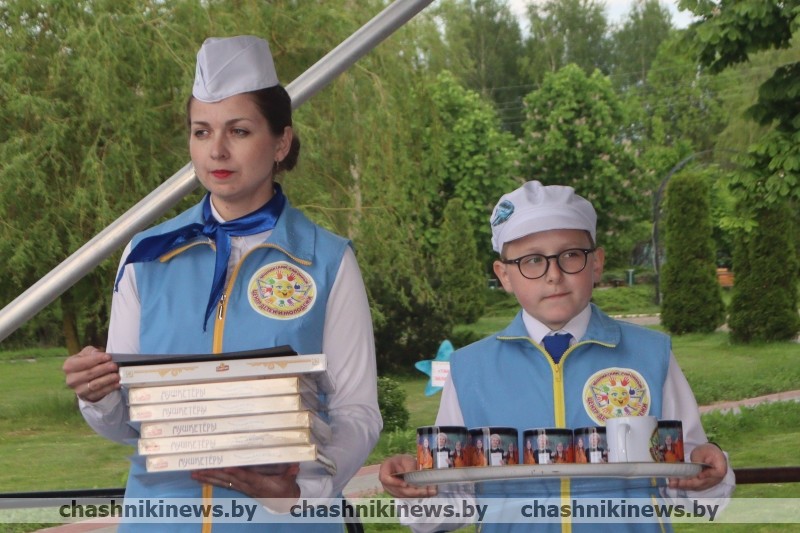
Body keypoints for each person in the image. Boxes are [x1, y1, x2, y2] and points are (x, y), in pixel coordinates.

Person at [62, 35, 382, 532]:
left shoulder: (327, 260)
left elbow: (357, 411)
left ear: (281, 142)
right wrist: (98, 394)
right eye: (201, 131)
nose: (217, 150)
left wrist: (304, 488)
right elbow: (128, 423)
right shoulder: (146, 255)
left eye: (239, 130)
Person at [378, 180, 735, 532]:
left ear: (596, 263)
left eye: (570, 255)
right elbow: (450, 506)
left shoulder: (650, 355)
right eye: (532, 260)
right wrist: (416, 491)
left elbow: (694, 490)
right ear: (504, 275)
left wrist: (707, 477)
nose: (554, 275)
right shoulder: (470, 369)